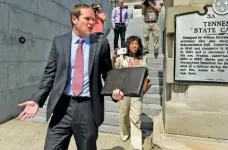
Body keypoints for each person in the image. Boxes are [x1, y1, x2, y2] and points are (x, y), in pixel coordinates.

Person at [16, 4, 124, 150]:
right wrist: (37, 100)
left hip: (88, 108)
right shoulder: (59, 42)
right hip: (62, 107)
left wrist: (114, 90)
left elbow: (107, 73)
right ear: (74, 19)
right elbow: (50, 74)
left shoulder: (101, 43)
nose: (92, 22)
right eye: (87, 19)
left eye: (93, 19)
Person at [112, 36, 149, 150]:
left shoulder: (143, 58)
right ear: (128, 45)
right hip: (124, 91)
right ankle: (124, 133)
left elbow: (145, 73)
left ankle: (136, 145)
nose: (134, 46)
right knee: (124, 114)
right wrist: (115, 58)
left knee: (136, 117)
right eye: (132, 43)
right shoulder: (123, 57)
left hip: (137, 91)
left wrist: (144, 88)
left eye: (136, 44)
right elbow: (115, 69)